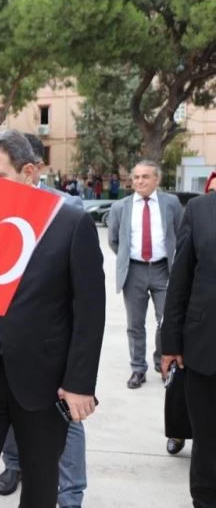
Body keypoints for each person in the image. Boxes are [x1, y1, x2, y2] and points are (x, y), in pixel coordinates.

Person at [0, 130, 106, 508]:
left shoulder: (70, 224)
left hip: (43, 382)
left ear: (30, 172)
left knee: (40, 480)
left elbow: (89, 312)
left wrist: (79, 383)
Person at [0, 133, 88, 506]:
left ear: (31, 169)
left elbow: (83, 299)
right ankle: (13, 464)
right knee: (9, 412)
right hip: (7, 339)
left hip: (53, 347)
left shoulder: (68, 213)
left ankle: (71, 491)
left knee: (66, 421)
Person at [160, 191, 216, 506]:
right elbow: (180, 280)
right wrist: (170, 344)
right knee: (207, 438)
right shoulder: (199, 210)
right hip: (205, 347)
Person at [107, 160, 183, 391]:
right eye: (136, 177)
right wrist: (127, 259)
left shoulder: (171, 203)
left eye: (145, 177)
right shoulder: (120, 207)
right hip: (134, 270)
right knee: (135, 324)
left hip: (163, 269)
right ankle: (138, 369)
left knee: (166, 320)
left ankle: (162, 363)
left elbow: (180, 233)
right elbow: (114, 240)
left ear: (157, 180)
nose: (140, 181)